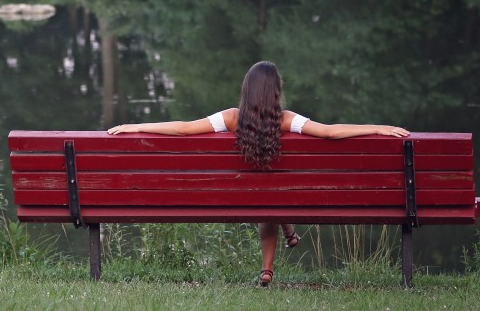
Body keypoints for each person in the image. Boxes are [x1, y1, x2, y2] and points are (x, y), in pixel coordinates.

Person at [107, 60, 409, 286]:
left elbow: (184, 129)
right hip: (279, 194)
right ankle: (275, 253)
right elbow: (329, 133)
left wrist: (137, 126)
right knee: (272, 196)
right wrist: (376, 128)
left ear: (246, 90)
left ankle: (273, 257)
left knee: (264, 196)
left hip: (242, 195)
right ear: (276, 91)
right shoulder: (286, 120)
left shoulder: (231, 118)